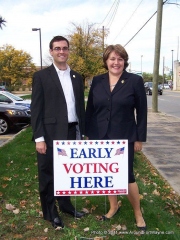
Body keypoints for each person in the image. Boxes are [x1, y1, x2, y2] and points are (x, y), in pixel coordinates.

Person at [85, 44, 147, 230]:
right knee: (107, 173)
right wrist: (89, 134)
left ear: (125, 61)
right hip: (101, 137)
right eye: (112, 59)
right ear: (106, 61)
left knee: (127, 177)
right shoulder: (97, 81)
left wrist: (139, 138)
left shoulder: (135, 81)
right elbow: (91, 110)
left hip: (125, 138)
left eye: (120, 59)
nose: (116, 62)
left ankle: (138, 213)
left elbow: (142, 112)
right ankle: (113, 206)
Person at [31, 36, 85, 229]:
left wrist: (83, 132)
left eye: (64, 48)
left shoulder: (77, 77)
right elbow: (36, 109)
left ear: (69, 50)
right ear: (51, 51)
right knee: (48, 174)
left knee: (67, 173)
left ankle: (65, 205)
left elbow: (80, 106)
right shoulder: (41, 77)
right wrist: (39, 138)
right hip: (50, 134)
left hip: (72, 132)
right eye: (57, 48)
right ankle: (50, 212)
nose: (61, 51)